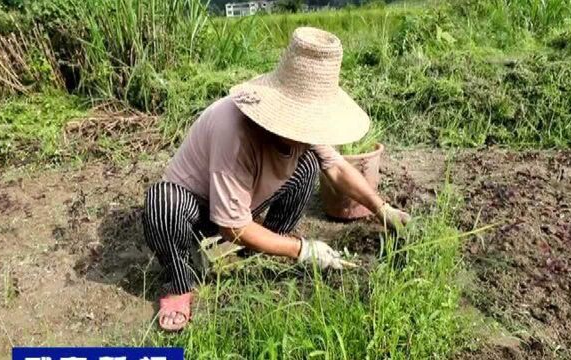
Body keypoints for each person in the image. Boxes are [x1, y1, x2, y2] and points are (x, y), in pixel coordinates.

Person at [142, 27, 411, 331]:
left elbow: (335, 168)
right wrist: (301, 249)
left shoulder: (304, 129)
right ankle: (180, 283)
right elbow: (232, 226)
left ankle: (258, 248)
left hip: (242, 206)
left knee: (309, 165)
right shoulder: (234, 130)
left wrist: (382, 209)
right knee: (162, 203)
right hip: (196, 208)